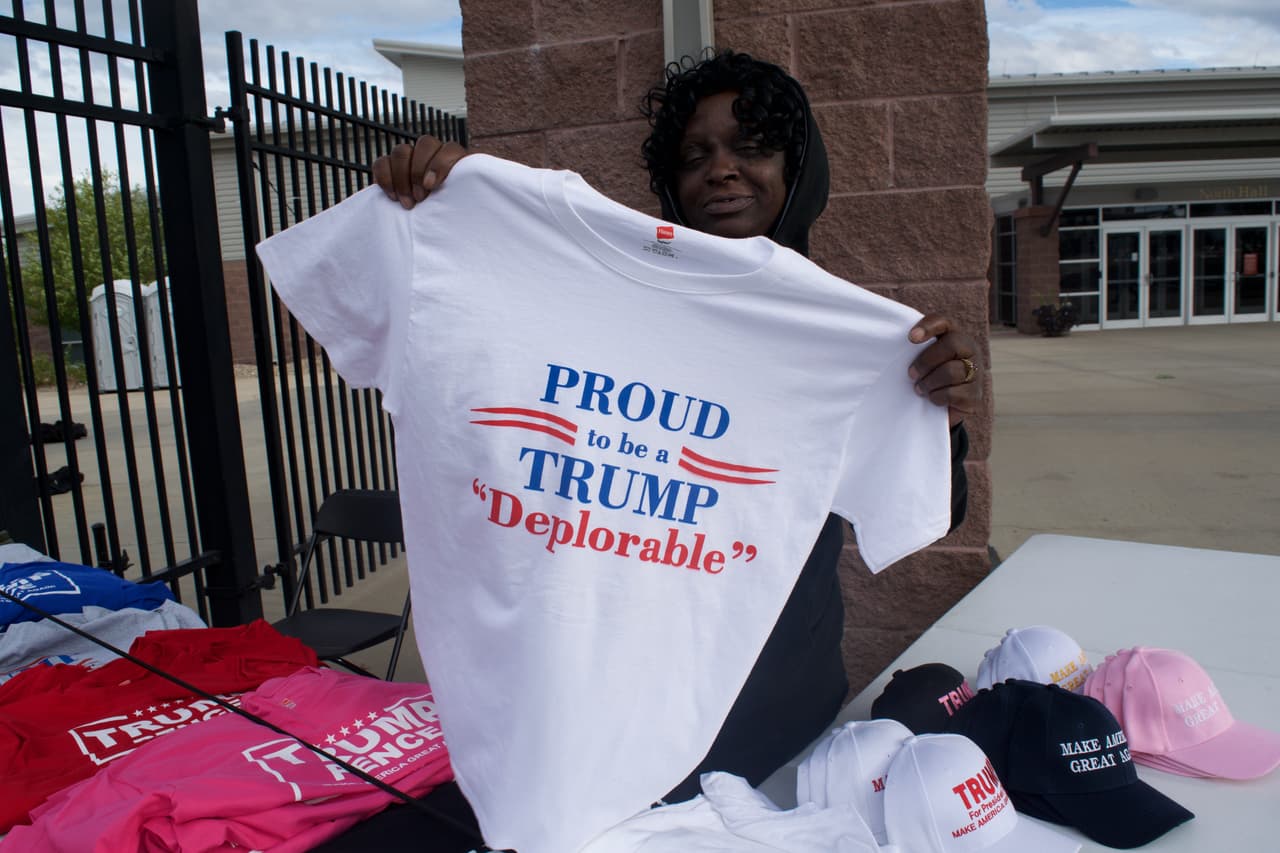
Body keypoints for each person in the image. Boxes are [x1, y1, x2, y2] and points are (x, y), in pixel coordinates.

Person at [371, 50, 981, 802]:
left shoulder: (856, 339)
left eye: (752, 147)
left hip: (784, 712)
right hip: (623, 719)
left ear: (801, 169)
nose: (721, 170)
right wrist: (457, 207)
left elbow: (931, 513)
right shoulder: (600, 312)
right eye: (695, 156)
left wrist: (935, 422)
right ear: (670, 182)